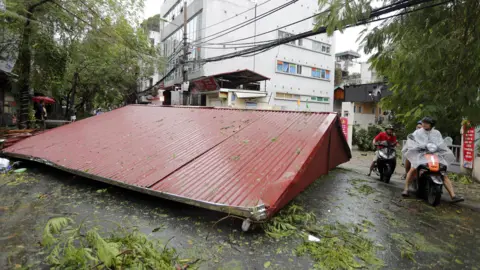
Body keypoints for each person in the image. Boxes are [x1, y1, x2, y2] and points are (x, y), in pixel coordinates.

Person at [402, 117, 464, 202]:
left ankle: (453, 196)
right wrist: (416, 146)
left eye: (426, 123)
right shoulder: (417, 132)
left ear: (431, 125)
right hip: (421, 154)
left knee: (443, 173)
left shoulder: (436, 133)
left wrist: (441, 147)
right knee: (413, 169)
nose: (424, 124)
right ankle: (406, 189)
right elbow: (412, 141)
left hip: (434, 154)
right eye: (423, 122)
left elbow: (440, 142)